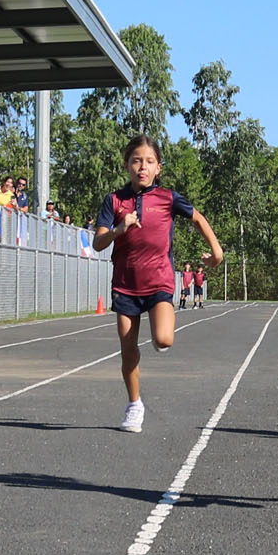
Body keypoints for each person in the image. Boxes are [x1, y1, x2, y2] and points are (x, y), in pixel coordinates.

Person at [93, 134, 223, 434]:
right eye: (137, 160)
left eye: (149, 161)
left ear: (158, 168)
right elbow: (99, 242)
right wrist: (119, 229)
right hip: (125, 283)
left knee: (164, 340)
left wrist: (216, 252)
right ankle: (134, 405)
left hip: (159, 280)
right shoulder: (115, 200)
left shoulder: (167, 197)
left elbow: (199, 219)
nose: (143, 166)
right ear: (127, 165)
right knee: (127, 351)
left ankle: (155, 335)